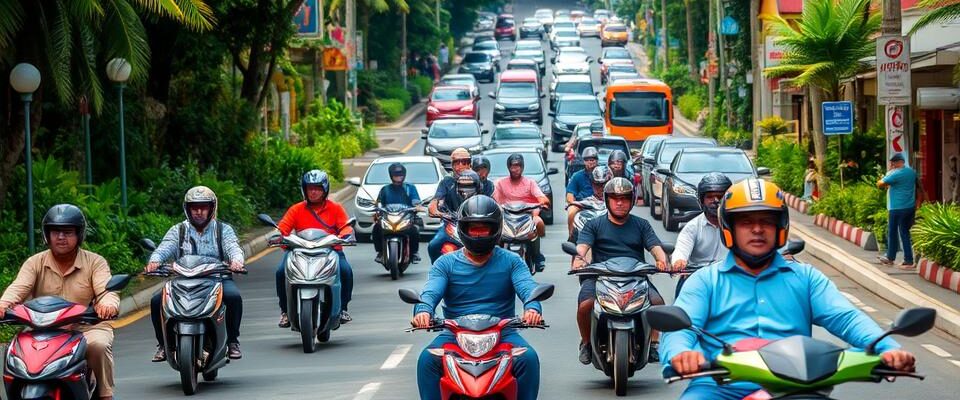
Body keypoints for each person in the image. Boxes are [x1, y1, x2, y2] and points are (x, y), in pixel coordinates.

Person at [661, 178, 917, 400]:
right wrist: (682, 354)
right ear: (729, 228)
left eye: (767, 221)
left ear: (780, 227)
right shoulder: (705, 280)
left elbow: (846, 318)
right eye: (746, 222)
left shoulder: (806, 278)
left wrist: (888, 349)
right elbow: (680, 328)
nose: (758, 229)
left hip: (795, 384)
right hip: (721, 385)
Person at [413, 195, 545, 400]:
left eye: (484, 228)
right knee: (426, 361)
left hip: (503, 334)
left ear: (496, 229)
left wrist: (533, 309)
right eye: (473, 228)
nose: (479, 234)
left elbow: (528, 288)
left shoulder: (512, 261)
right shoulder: (445, 263)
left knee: (528, 358)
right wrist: (423, 310)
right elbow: (430, 292)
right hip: (454, 335)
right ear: (463, 229)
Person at [0, 205, 120, 399]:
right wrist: (3, 303)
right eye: (55, 231)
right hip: (41, 330)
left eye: (68, 232)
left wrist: (108, 304)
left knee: (98, 345)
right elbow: (18, 287)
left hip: (85, 327)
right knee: (14, 350)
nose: (61, 237)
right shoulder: (34, 263)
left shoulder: (95, 262)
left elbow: (106, 290)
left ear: (79, 234)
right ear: (47, 235)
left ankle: (105, 395)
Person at [572, 177, 671, 365]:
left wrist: (661, 261)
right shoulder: (594, 224)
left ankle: (654, 344)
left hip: (636, 278)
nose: (619, 202)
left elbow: (655, 246)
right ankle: (586, 344)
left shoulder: (642, 225)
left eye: (624, 198)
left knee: (658, 303)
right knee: (585, 305)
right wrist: (579, 260)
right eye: (615, 198)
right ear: (607, 200)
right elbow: (582, 248)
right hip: (600, 277)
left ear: (632, 200)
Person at [146, 186, 246, 361]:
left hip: (217, 279)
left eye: (203, 207)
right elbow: (164, 248)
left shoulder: (223, 230)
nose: (199, 212)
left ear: (211, 208)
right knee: (156, 301)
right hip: (182, 281)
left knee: (234, 297)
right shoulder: (178, 230)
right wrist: (154, 261)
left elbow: (233, 247)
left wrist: (237, 261)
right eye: (194, 207)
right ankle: (164, 344)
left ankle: (232, 342)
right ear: (187, 209)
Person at [275, 170, 356, 328]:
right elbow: (283, 228)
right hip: (299, 251)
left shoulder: (336, 208)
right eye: (310, 188)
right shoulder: (296, 209)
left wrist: (346, 236)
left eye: (317, 188)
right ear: (304, 189)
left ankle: (343, 309)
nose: (313, 192)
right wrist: (279, 238)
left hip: (330, 251)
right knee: (280, 271)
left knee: (346, 271)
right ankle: (285, 311)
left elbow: (345, 228)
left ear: (325, 189)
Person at [493, 153, 551, 271]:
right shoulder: (500, 183)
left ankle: (537, 256)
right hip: (507, 217)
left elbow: (542, 198)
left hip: (527, 216)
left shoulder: (530, 183)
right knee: (496, 230)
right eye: (513, 166)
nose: (516, 169)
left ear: (523, 167)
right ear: (508, 167)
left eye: (518, 166)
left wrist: (542, 203)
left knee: (538, 222)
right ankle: (495, 258)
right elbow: (494, 200)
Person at [672, 173, 732, 271]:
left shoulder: (737, 226)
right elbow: (681, 250)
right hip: (698, 278)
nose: (715, 201)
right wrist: (679, 262)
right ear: (701, 200)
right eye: (710, 197)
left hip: (730, 277)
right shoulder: (692, 227)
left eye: (720, 196)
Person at [427, 148, 476, 262]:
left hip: (474, 223)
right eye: (457, 162)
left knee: (493, 247)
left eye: (464, 162)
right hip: (451, 223)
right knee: (433, 245)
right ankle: (437, 274)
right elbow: (436, 200)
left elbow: (488, 200)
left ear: (470, 164)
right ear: (452, 165)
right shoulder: (447, 182)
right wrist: (434, 210)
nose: (461, 166)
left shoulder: (477, 180)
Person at [373, 163, 422, 264]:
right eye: (396, 175)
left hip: (405, 218)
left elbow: (416, 201)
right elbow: (378, 203)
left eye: (400, 175)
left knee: (414, 230)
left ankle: (414, 253)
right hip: (388, 218)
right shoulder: (385, 189)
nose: (399, 177)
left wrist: (417, 206)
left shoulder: (410, 188)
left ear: (404, 175)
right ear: (391, 176)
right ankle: (380, 252)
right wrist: (376, 209)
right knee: (376, 228)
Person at [877, 152, 918, 269]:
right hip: (909, 207)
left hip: (896, 207)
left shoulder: (896, 174)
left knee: (892, 232)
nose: (892, 165)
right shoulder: (911, 172)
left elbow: (880, 184)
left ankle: (890, 257)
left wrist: (889, 172)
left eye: (893, 163)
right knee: (905, 233)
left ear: (897, 162)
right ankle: (909, 260)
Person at [566, 165, 612, 238]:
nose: (600, 188)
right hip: (589, 237)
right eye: (597, 185)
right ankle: (571, 236)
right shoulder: (588, 201)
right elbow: (570, 198)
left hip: (612, 235)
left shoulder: (616, 201)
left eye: (603, 184)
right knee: (571, 210)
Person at [566, 147, 600, 235]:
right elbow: (570, 195)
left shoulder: (604, 173)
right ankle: (571, 235)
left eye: (592, 160)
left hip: (601, 203)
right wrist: (573, 202)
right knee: (571, 212)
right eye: (588, 160)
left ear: (597, 161)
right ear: (584, 161)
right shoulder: (577, 176)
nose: (590, 162)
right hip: (582, 204)